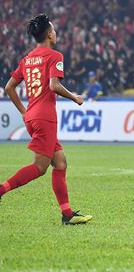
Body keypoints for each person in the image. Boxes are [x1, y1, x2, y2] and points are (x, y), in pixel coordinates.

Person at [0, 14, 92, 225]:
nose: (56, 33)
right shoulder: (54, 56)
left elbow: (9, 87)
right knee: (39, 168)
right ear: (50, 34)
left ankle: (67, 214)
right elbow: (54, 85)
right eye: (54, 29)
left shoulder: (27, 59)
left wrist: (24, 111)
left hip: (32, 115)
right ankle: (1, 189)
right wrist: (75, 97)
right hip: (45, 117)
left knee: (60, 163)